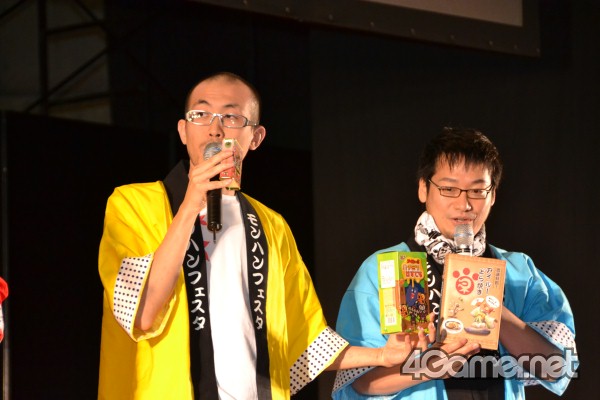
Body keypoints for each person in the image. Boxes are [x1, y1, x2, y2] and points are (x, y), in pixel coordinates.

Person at [98, 72, 459, 400]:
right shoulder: (134, 204)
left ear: (255, 137)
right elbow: (142, 313)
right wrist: (191, 204)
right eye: (201, 114)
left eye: (231, 117)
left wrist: (382, 355)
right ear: (183, 130)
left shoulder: (271, 225)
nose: (215, 129)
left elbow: (305, 344)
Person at [332, 127, 578, 399]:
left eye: (477, 190)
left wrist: (492, 308)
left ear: (493, 195)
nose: (464, 204)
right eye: (449, 189)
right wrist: (429, 368)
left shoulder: (519, 272)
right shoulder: (387, 269)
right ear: (423, 188)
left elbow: (557, 367)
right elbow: (359, 382)